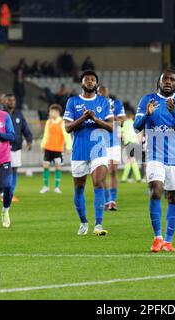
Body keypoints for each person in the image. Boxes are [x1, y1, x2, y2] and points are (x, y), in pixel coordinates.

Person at [134, 70, 175, 252]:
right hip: (154, 156)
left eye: (171, 79)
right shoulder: (147, 100)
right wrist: (147, 115)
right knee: (156, 191)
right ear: (158, 82)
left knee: (173, 198)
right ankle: (157, 237)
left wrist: (174, 112)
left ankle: (168, 241)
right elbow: (136, 127)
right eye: (164, 79)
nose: (168, 82)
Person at [64, 70, 113, 236]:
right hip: (79, 150)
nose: (90, 81)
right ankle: (83, 222)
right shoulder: (73, 101)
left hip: (99, 150)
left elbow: (111, 127)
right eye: (87, 79)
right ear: (82, 83)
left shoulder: (103, 102)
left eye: (93, 79)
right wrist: (84, 118)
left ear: (97, 84)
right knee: (79, 188)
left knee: (98, 182)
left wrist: (95, 119)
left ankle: (98, 224)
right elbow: (68, 127)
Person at [98, 86, 126, 211]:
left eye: (103, 91)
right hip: (99, 142)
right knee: (102, 173)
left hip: (113, 142)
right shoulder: (94, 105)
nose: (101, 93)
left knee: (113, 171)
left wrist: (111, 116)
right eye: (99, 91)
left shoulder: (116, 104)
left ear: (108, 92)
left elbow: (123, 120)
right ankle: (106, 200)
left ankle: (113, 201)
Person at [5, 94, 33, 202]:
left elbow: (25, 128)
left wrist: (29, 140)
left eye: (13, 100)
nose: (12, 102)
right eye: (9, 100)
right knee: (4, 170)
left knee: (14, 170)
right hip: (4, 146)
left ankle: (10, 193)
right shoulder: (2, 113)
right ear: (5, 101)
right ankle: (1, 191)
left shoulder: (19, 114)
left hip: (16, 147)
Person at [40, 104, 72, 194]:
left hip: (58, 149)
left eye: (51, 111)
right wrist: (42, 145)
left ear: (57, 112)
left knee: (58, 167)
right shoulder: (48, 122)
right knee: (45, 166)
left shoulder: (62, 123)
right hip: (48, 148)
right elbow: (46, 134)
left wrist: (69, 147)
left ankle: (56, 187)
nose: (49, 113)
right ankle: (45, 186)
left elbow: (67, 135)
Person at [120, 111, 142, 183]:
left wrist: (123, 139)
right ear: (132, 117)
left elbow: (122, 133)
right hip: (134, 142)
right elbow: (138, 132)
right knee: (130, 160)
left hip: (128, 143)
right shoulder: (134, 123)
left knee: (131, 160)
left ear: (127, 116)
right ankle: (135, 178)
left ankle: (126, 178)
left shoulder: (125, 123)